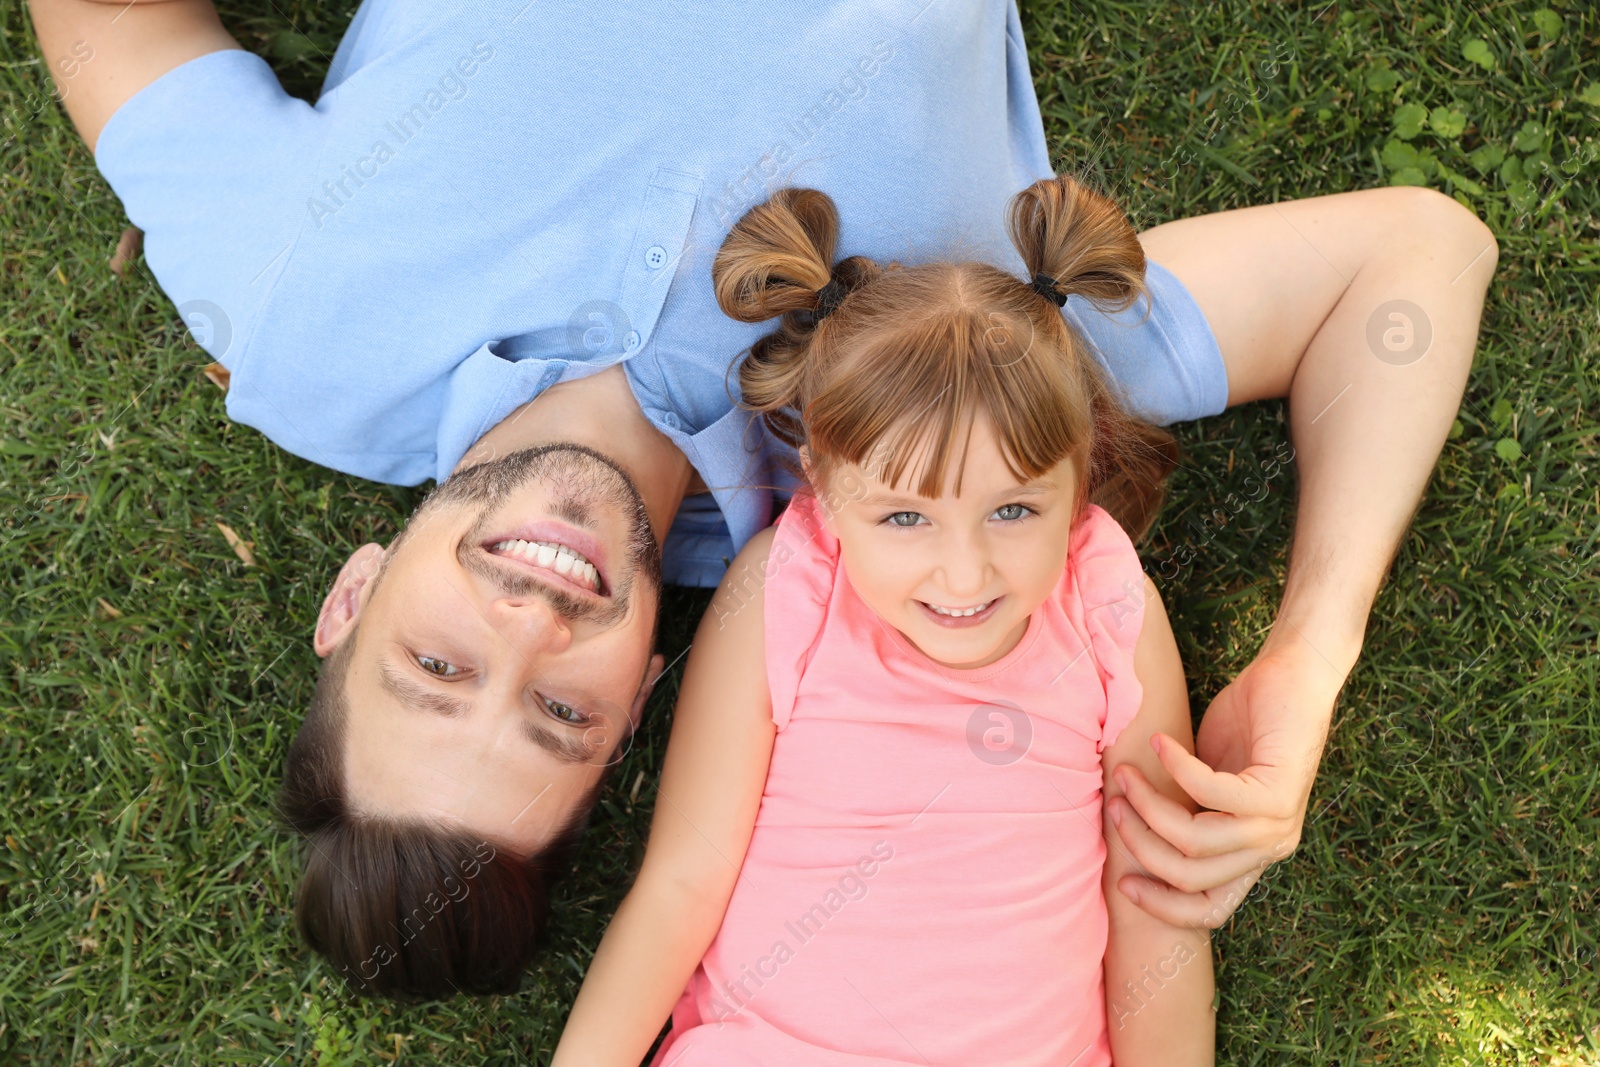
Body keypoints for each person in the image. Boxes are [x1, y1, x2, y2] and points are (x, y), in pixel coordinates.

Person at [28, 0, 1498, 998]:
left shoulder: (297, 316)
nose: (534, 622)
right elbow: (1415, 261)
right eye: (561, 712)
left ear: (348, 598)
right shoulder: (910, 446)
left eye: (438, 665)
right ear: (647, 690)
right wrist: (1309, 657)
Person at [553, 178, 1214, 1066]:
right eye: (905, 517)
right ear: (821, 480)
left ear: (1080, 470)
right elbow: (683, 878)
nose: (965, 573)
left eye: (1014, 510)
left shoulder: (1102, 594)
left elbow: (1153, 897)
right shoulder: (785, 590)